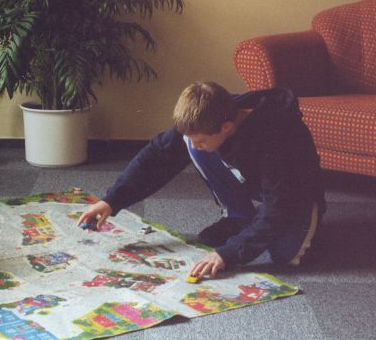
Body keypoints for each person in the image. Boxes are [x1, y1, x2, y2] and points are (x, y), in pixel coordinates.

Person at [77, 81, 325, 279]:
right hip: (254, 179)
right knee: (190, 145)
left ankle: (307, 210)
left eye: (202, 139)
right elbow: (156, 157)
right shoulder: (211, 116)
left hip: (293, 193)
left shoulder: (276, 138)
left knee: (284, 255)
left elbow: (278, 207)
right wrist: (112, 200)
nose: (196, 144)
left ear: (226, 127)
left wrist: (228, 254)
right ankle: (239, 217)